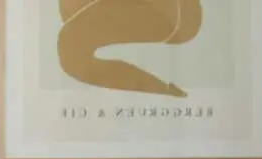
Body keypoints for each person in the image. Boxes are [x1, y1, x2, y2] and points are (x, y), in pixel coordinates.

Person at [57, 0, 204, 97]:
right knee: (71, 46)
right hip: (176, 17)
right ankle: (160, 89)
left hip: (175, 14)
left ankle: (160, 90)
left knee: (70, 47)